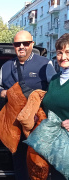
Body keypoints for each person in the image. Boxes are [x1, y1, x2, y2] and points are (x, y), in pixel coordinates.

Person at [0, 30, 56, 180]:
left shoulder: (44, 64)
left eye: (25, 43)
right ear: (14, 46)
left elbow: (53, 89)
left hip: (37, 125)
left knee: (38, 163)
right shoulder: (6, 66)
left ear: (32, 44)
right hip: (14, 125)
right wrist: (6, 93)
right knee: (19, 163)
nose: (21, 46)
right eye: (17, 44)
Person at [41, 33, 69, 180]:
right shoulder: (54, 80)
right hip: (55, 146)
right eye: (59, 53)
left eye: (68, 52)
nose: (63, 57)